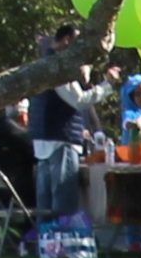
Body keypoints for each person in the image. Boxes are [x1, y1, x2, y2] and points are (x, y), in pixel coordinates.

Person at [31, 24, 95, 220]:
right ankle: (62, 242)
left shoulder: (44, 63)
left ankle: (47, 242)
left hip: (43, 137)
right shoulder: (59, 67)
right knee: (63, 198)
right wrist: (108, 85)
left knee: (46, 199)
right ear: (67, 40)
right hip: (61, 138)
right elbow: (79, 100)